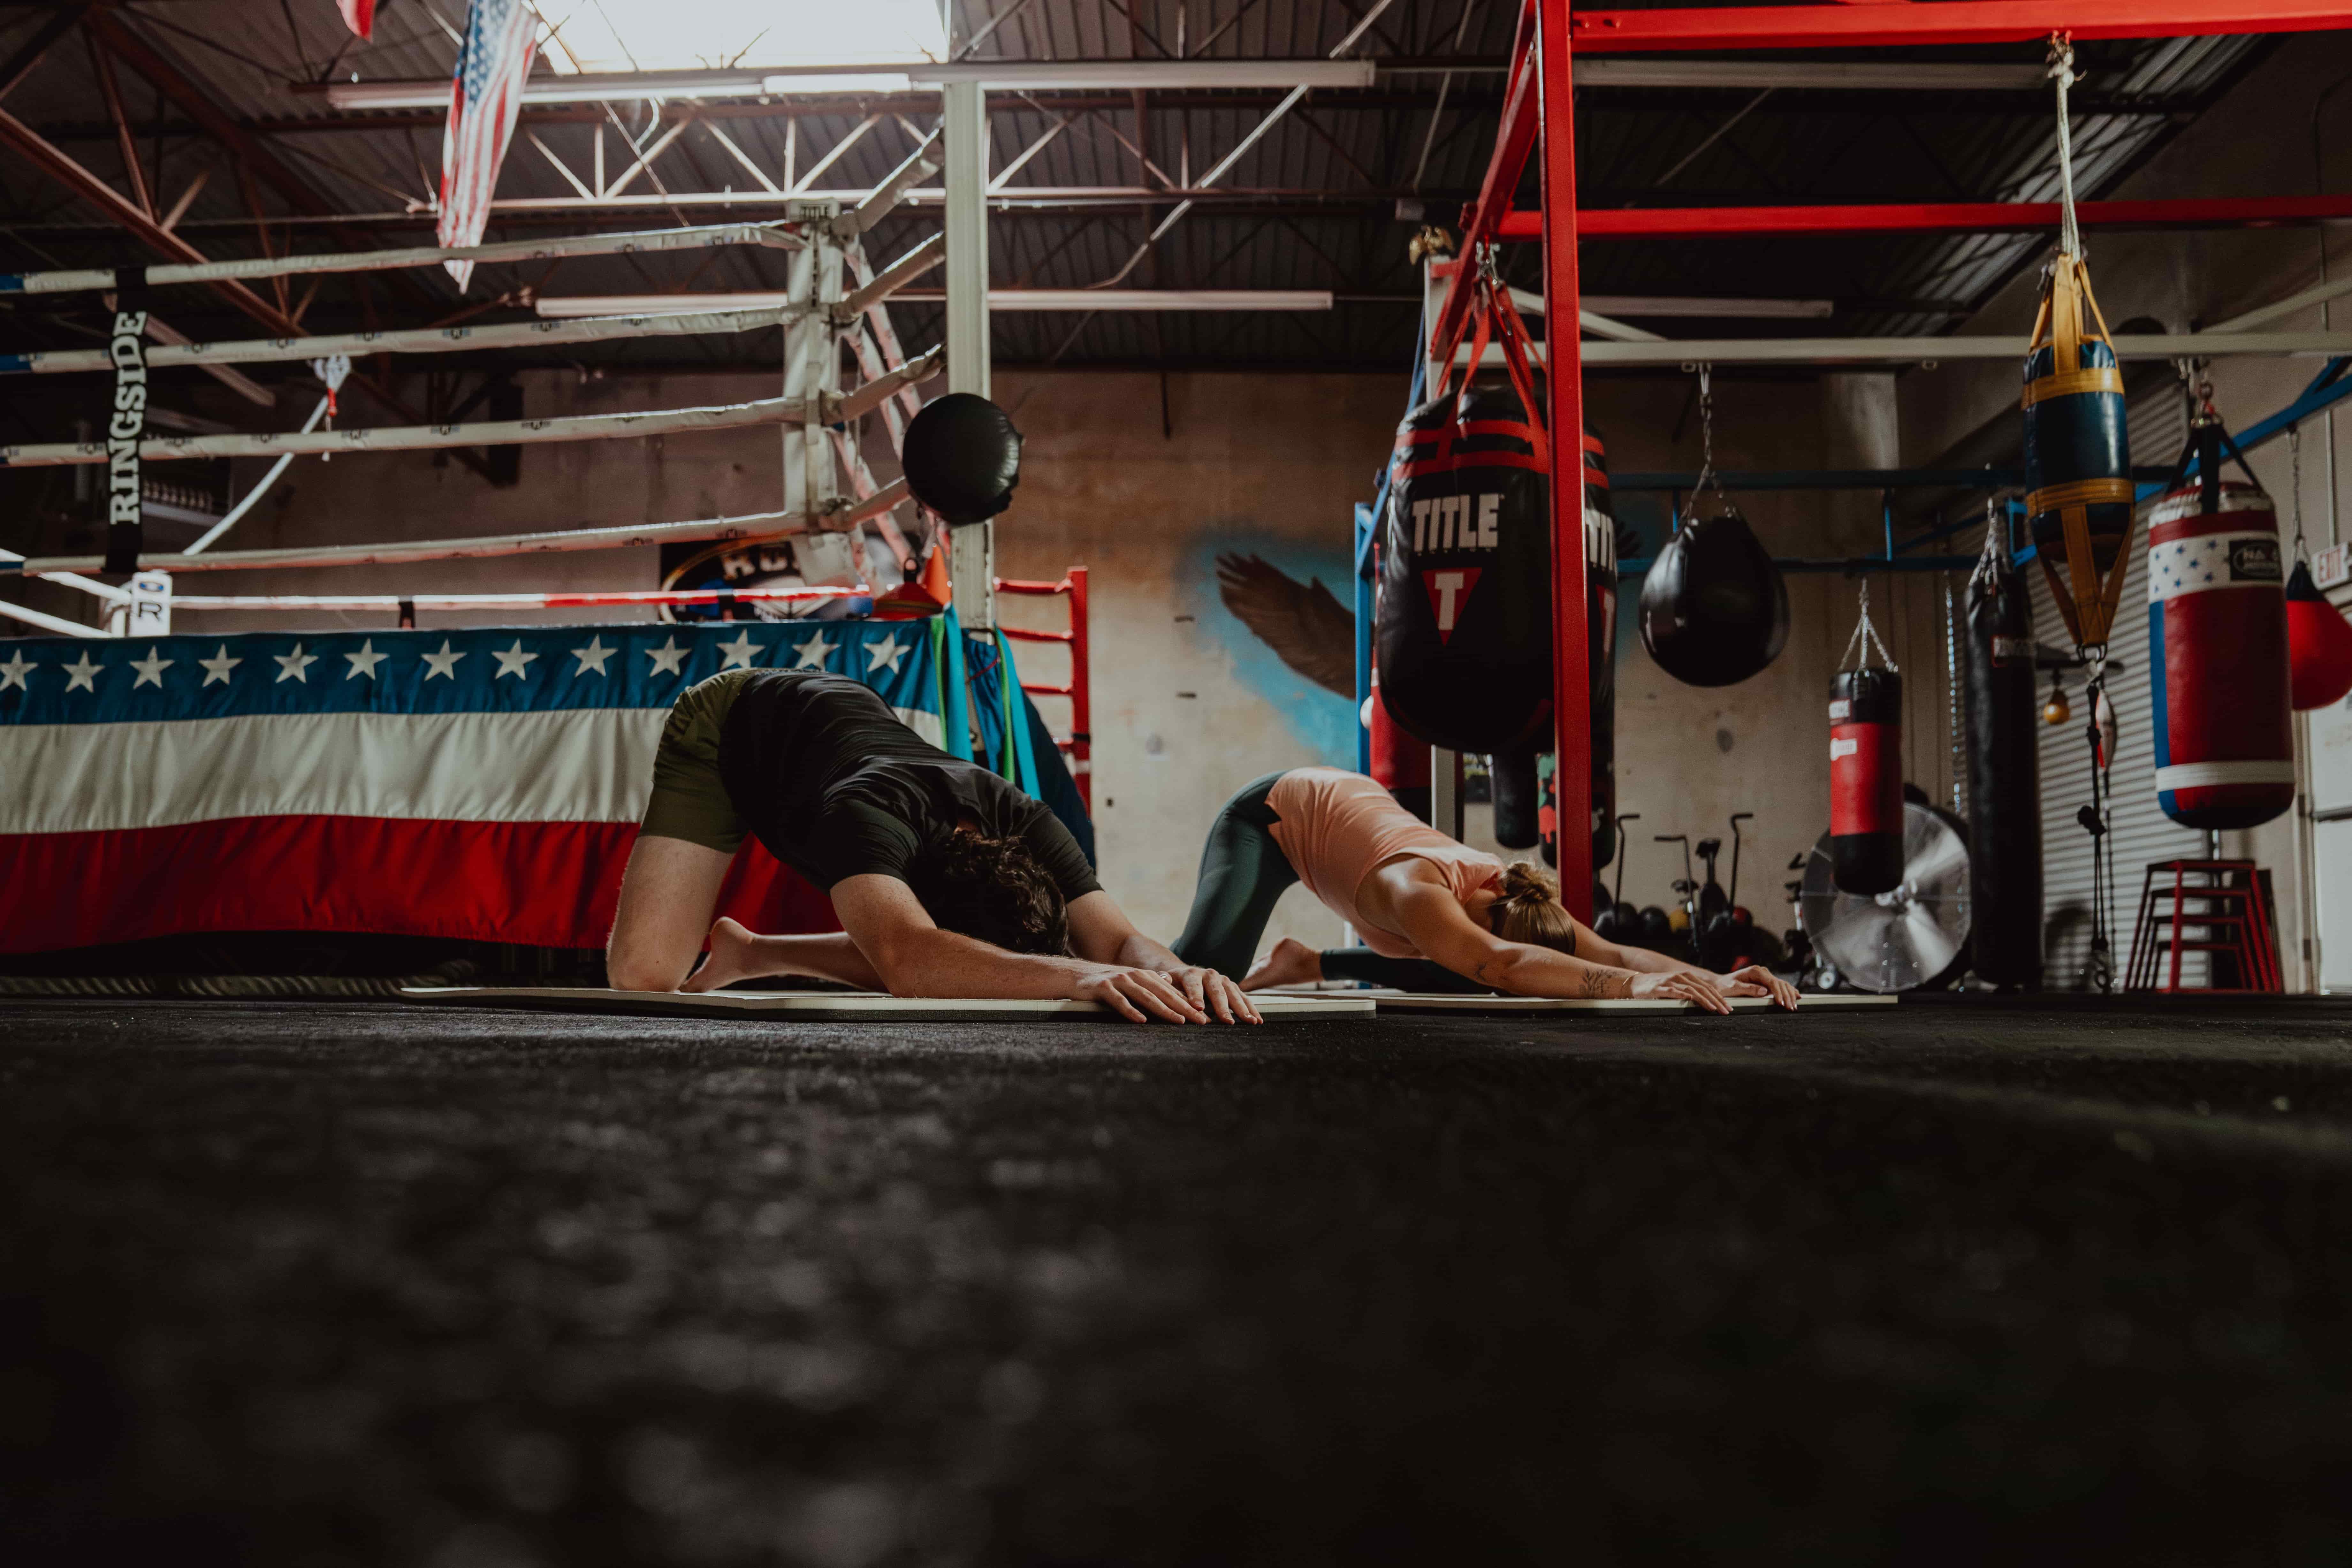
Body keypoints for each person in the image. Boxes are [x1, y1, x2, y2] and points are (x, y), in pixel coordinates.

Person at [607, 669, 1260, 1025]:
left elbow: (1117, 943)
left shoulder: (1025, 821)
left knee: (966, 963)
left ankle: (750, 953)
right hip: (730, 723)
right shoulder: (864, 819)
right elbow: (909, 956)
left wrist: (1173, 971)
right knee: (643, 978)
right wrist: (1080, 975)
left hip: (845, 717)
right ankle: (752, 950)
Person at [1174, 767, 1799, 1012]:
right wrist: (1637, 988)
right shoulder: (1417, 888)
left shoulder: (1518, 896)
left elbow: (1608, 952)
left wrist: (1714, 979)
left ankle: (1303, 961)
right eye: (1486, 933)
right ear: (1491, 910)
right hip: (1271, 819)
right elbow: (1496, 959)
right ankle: (1108, 958)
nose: (1488, 953)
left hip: (1348, 815)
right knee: (1197, 981)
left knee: (1474, 971)